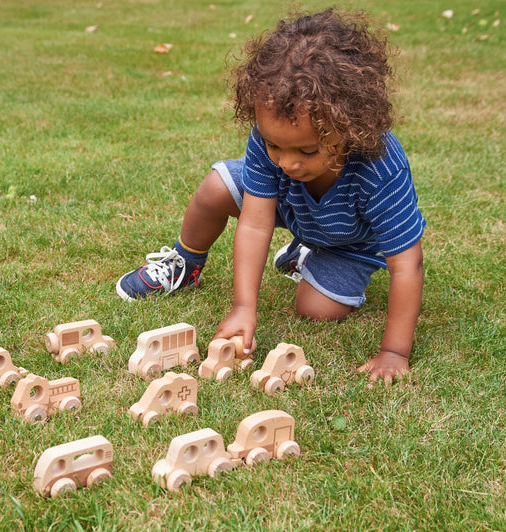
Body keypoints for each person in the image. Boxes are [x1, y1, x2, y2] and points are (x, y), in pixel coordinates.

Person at [115, 9, 425, 385]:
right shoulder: (270, 140)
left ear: (350, 127)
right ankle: (186, 264)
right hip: (290, 207)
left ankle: (304, 255)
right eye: (274, 145)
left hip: (349, 242)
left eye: (307, 151)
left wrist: (394, 351)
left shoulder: (381, 168)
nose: (288, 162)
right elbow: (256, 221)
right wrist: (244, 308)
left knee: (316, 310)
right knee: (216, 187)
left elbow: (406, 265)